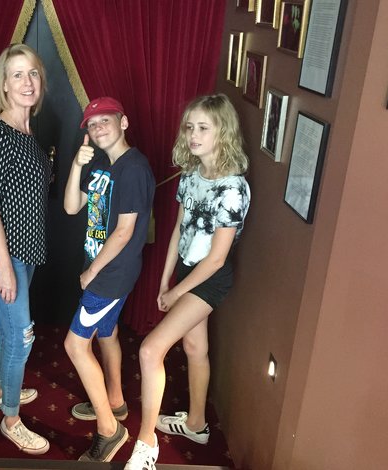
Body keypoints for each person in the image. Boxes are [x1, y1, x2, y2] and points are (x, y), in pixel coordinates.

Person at [124, 94, 250, 470]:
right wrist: (166, 279)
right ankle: (196, 425)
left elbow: (217, 258)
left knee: (150, 351)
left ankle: (146, 444)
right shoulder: (191, 175)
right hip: (185, 272)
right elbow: (179, 229)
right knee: (195, 348)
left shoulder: (233, 188)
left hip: (209, 279)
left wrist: (178, 291)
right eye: (190, 127)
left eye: (203, 128)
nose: (193, 135)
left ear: (223, 132)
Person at [63, 97, 155, 462]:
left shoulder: (133, 168)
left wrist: (92, 271)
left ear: (123, 122)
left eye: (106, 120)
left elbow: (124, 232)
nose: (98, 127)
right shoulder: (102, 163)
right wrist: (76, 165)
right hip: (104, 267)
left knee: (75, 346)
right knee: (107, 333)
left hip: (111, 274)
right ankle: (115, 401)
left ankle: (109, 429)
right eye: (92, 123)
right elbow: (72, 206)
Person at [0, 43, 51, 455]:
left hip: (26, 248)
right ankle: (10, 418)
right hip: (6, 254)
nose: (27, 82)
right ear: (3, 85)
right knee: (21, 337)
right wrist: (4, 267)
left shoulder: (27, 131)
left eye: (32, 73)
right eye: (17, 74)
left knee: (4, 325)